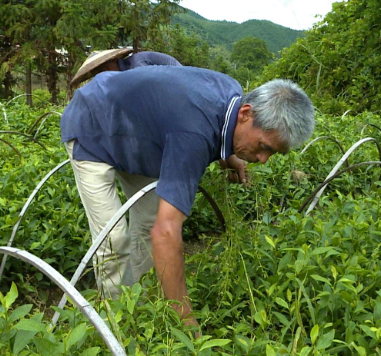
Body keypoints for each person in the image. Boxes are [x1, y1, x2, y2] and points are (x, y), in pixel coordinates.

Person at [61, 62, 315, 331]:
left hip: (139, 137)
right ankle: (118, 324)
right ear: (246, 113)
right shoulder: (193, 133)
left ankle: (146, 306)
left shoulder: (232, 92)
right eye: (264, 147)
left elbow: (214, 126)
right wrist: (187, 322)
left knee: (147, 226)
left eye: (273, 153)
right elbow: (167, 232)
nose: (263, 160)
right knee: (113, 240)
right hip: (92, 126)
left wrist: (229, 154)